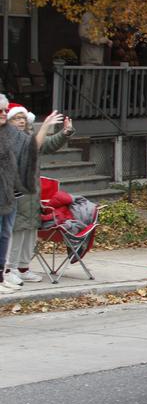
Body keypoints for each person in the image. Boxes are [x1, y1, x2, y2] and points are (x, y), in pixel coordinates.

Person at [5, 106, 75, 286]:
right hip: (13, 196)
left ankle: (23, 268)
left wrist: (65, 132)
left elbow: (48, 144)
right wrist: (44, 126)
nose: (21, 121)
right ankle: (9, 269)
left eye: (23, 118)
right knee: (15, 233)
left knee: (29, 232)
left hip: (31, 196)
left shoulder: (29, 138)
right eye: (16, 118)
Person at [0, 95, 39, 294]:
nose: (4, 115)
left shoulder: (11, 133)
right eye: (1, 111)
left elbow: (34, 147)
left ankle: (2, 276)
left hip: (11, 193)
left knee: (5, 235)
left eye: (6, 111)